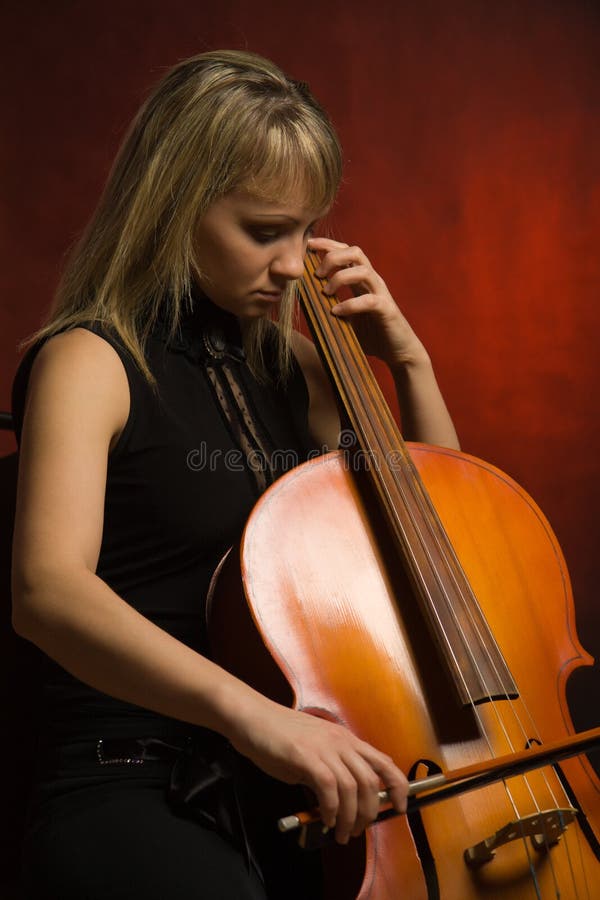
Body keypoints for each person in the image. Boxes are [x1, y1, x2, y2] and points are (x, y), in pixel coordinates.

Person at [11, 50, 460, 899]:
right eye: (263, 231)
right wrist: (261, 720)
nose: (294, 264)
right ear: (174, 209)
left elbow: (444, 556)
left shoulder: (301, 366)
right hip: (131, 778)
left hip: (289, 785)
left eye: (306, 228)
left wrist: (410, 364)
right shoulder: (89, 359)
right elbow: (46, 592)